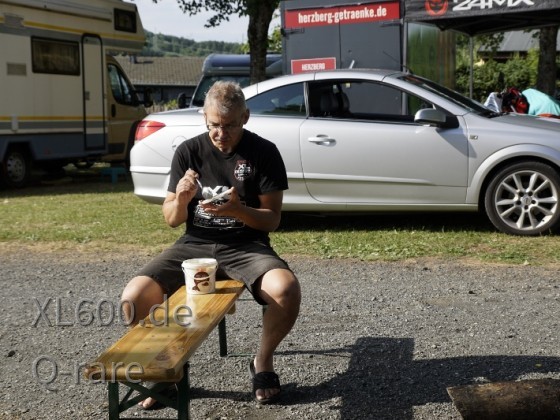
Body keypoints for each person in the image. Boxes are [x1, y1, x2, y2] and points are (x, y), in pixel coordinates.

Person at [121, 81, 301, 407]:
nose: (221, 133)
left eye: (230, 125)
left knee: (286, 289)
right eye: (214, 125)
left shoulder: (264, 152)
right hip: (195, 244)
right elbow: (172, 218)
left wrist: (237, 210)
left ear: (245, 117)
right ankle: (167, 368)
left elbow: (272, 218)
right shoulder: (189, 151)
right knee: (133, 299)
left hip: (246, 245)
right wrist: (182, 198)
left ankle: (262, 362)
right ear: (205, 118)